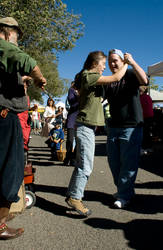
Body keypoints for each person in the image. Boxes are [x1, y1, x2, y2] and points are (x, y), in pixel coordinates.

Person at [65, 51, 128, 217]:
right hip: (85, 126)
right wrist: (127, 63)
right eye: (103, 64)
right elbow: (115, 78)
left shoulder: (91, 78)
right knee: (86, 166)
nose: (105, 68)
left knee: (81, 164)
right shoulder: (88, 75)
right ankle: (76, 197)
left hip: (87, 127)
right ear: (95, 63)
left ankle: (72, 195)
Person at [0, 16, 47, 240]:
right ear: (8, 32)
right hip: (4, 116)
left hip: (6, 115)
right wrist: (39, 76)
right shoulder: (3, 44)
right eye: (17, 35)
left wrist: (27, 78)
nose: (17, 40)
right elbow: (26, 60)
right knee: (11, 169)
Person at [105, 49, 148, 209]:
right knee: (114, 162)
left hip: (132, 126)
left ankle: (124, 195)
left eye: (115, 60)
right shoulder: (109, 80)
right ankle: (126, 190)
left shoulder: (130, 74)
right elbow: (96, 97)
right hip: (113, 126)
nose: (112, 64)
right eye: (110, 61)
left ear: (123, 61)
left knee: (128, 163)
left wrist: (133, 62)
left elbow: (144, 80)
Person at [63, 81, 79, 166]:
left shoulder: (84, 90)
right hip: (72, 118)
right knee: (70, 139)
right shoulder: (71, 90)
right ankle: (67, 157)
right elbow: (71, 101)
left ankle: (74, 158)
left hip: (80, 119)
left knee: (79, 140)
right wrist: (79, 96)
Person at [139, 86, 154, 154]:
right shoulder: (148, 97)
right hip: (150, 117)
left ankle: (143, 148)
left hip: (144, 117)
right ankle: (149, 148)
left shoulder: (140, 97)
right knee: (148, 133)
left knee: (143, 133)